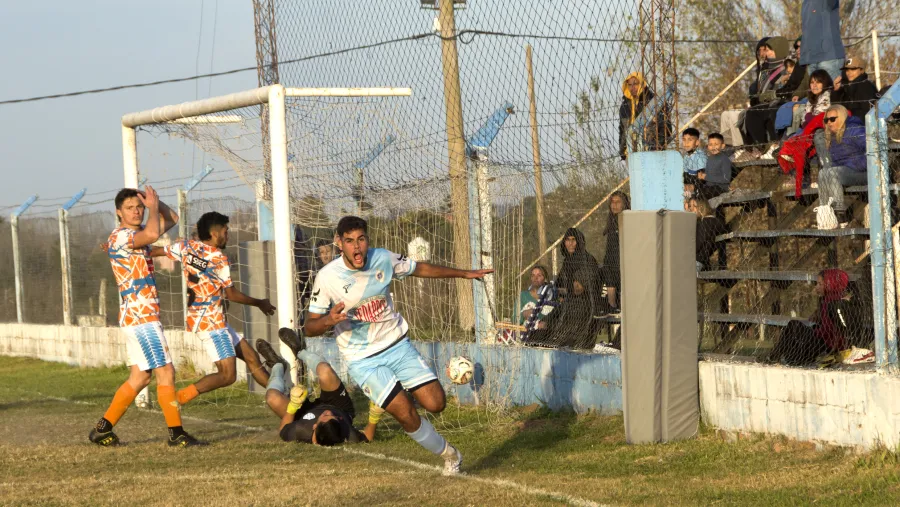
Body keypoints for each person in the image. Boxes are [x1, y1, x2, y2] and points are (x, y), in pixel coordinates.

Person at [303, 216, 491, 474]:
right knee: (405, 412)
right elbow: (309, 327)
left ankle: (394, 390)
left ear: (367, 239)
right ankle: (451, 456)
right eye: (349, 241)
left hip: (396, 345)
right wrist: (328, 320)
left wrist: (464, 274)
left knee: (436, 403)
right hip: (362, 359)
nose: (356, 247)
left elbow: (419, 268)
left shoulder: (382, 258)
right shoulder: (327, 277)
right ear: (339, 243)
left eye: (361, 239)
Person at [90, 187, 200, 447]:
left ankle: (102, 429)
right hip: (141, 318)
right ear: (118, 212)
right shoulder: (122, 236)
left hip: (138, 316)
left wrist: (154, 202)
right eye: (130, 207)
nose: (136, 211)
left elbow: (172, 219)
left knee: (140, 377)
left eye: (138, 206)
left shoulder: (136, 234)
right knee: (166, 371)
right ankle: (176, 434)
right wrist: (152, 207)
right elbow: (152, 233)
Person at [152, 212, 277, 406]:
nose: (228, 235)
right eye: (226, 231)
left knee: (252, 358)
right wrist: (260, 302)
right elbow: (231, 294)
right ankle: (177, 399)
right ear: (214, 233)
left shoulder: (186, 247)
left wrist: (125, 251)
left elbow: (154, 251)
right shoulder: (219, 259)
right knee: (228, 375)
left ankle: (281, 398)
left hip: (210, 320)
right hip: (210, 323)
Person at [255, 334, 380, 445]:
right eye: (333, 417)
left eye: (325, 415)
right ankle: (300, 351)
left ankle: (277, 365)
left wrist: (293, 406)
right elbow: (367, 437)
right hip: (338, 406)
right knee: (325, 371)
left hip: (302, 414)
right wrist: (373, 417)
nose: (327, 412)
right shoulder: (346, 432)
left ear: (314, 426)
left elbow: (283, 429)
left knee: (272, 398)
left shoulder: (302, 430)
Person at [767, 269, 857, 365]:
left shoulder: (836, 304)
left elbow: (835, 332)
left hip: (827, 347)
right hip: (821, 341)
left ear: (831, 284)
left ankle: (774, 358)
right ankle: (781, 357)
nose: (816, 287)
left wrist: (815, 329)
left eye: (820, 284)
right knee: (794, 327)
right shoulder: (826, 300)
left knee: (794, 325)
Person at [738, 36, 792, 160]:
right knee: (748, 113)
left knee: (764, 111)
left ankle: (770, 145)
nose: (765, 54)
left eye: (768, 50)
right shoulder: (765, 69)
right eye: (763, 50)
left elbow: (783, 88)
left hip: (780, 101)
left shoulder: (786, 67)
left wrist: (765, 96)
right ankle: (755, 148)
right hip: (767, 101)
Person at [815, 105, 868, 228]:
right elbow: (836, 162)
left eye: (832, 119)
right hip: (845, 171)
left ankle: (839, 212)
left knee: (832, 173)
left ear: (842, 118)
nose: (829, 123)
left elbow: (871, 149)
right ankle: (825, 212)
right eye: (826, 120)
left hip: (863, 171)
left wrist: (854, 164)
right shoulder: (832, 137)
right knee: (823, 173)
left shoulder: (855, 130)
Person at [619, 72, 672, 160]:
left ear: (642, 83)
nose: (632, 87)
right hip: (630, 154)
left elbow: (666, 126)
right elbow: (622, 129)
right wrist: (622, 151)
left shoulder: (653, 101)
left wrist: (657, 146)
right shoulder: (624, 106)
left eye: (635, 84)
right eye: (630, 85)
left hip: (652, 152)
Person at [799, 0, 845, 81]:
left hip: (829, 58)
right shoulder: (805, 3)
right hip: (811, 60)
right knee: (815, 89)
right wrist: (804, 57)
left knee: (830, 89)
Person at [831, 51, 879, 120]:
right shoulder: (845, 87)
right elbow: (835, 108)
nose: (849, 73)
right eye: (847, 70)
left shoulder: (866, 86)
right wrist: (836, 91)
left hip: (861, 125)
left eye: (853, 69)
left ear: (862, 70)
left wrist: (849, 116)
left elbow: (868, 112)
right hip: (848, 123)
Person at [601, 193, 629, 312]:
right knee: (607, 269)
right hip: (611, 261)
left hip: (623, 261)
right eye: (612, 202)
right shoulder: (611, 220)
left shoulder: (627, 219)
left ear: (624, 204)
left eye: (618, 202)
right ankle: (611, 305)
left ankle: (622, 306)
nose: (614, 205)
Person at [692, 198, 728, 271]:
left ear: (701, 207)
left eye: (694, 206)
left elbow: (700, 241)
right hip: (701, 259)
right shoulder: (714, 221)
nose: (692, 209)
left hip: (697, 259)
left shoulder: (706, 222)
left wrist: (689, 250)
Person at [699, 133, 733, 200]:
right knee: (696, 190)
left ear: (722, 146)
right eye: (710, 144)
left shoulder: (724, 159)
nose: (713, 147)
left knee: (704, 193)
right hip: (708, 187)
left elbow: (726, 179)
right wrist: (701, 176)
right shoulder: (709, 159)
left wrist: (706, 177)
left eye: (716, 144)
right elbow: (707, 176)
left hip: (720, 189)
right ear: (708, 146)